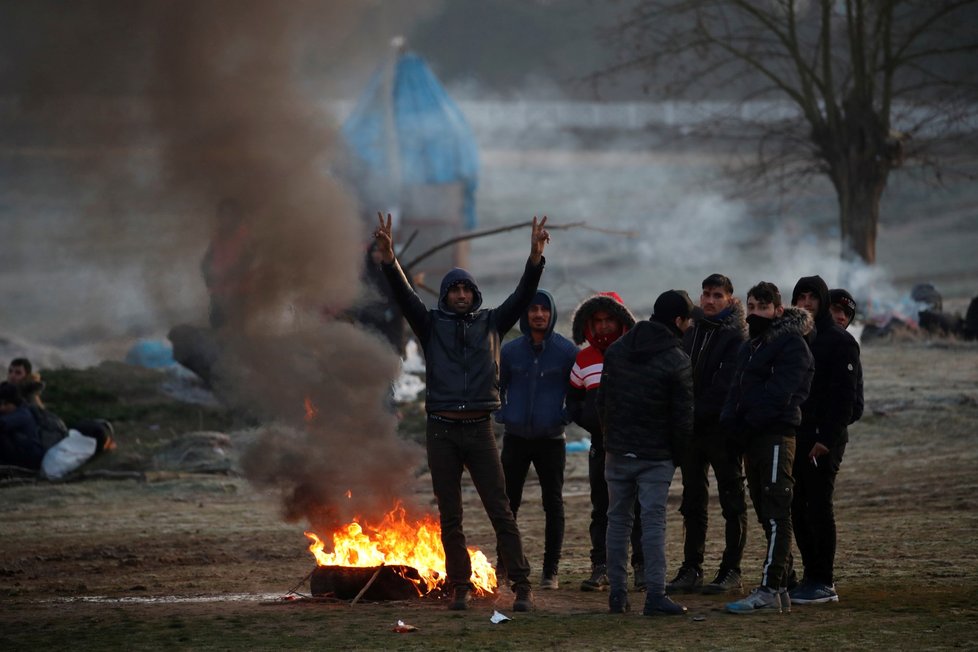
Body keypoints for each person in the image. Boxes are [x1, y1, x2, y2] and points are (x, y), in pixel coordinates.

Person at [374, 212, 550, 612]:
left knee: (500, 511)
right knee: (450, 515)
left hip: (479, 429)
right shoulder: (430, 324)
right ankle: (459, 587)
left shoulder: (492, 323)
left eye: (466, 289)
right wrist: (390, 260)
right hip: (441, 431)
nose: (460, 295)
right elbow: (404, 297)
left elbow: (523, 295)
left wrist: (535, 257)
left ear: (475, 294)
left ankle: (522, 585)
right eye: (453, 289)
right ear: (445, 295)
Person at [598, 290, 696, 616]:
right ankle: (655, 595)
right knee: (653, 523)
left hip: (617, 451)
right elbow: (683, 420)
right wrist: (679, 457)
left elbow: (603, 402)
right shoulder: (678, 360)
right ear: (679, 320)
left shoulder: (616, 351)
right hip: (656, 455)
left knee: (617, 521)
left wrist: (609, 440)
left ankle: (617, 595)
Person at [721, 281, 814, 614]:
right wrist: (730, 426)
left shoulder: (792, 346)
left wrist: (748, 419)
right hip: (751, 439)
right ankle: (785, 584)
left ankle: (769, 588)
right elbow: (736, 390)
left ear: (777, 310)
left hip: (776, 436)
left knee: (776, 513)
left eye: (762, 307)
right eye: (751, 307)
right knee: (764, 512)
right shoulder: (750, 347)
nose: (755, 313)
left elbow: (781, 393)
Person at [668, 274, 749, 596]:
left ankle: (731, 569)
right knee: (692, 501)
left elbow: (726, 386)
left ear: (729, 298)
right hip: (693, 432)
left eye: (717, 295)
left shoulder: (736, 336)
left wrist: (691, 410)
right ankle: (691, 568)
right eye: (706, 294)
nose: (710, 300)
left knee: (732, 500)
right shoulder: (693, 331)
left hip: (723, 431)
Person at [495, 289, 578, 590]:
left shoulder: (566, 352)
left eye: (544, 309)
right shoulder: (511, 351)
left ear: (551, 314)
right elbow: (497, 386)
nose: (538, 314)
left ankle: (550, 571)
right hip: (515, 438)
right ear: (525, 315)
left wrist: (564, 416)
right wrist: (503, 414)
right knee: (507, 504)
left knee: (552, 504)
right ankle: (503, 566)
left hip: (551, 439)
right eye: (533, 309)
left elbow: (578, 393)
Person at [789, 277, 861, 605]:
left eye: (811, 297)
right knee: (796, 506)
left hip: (823, 439)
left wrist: (827, 438)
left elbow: (845, 399)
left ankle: (824, 580)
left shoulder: (839, 341)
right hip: (795, 435)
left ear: (821, 300)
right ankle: (810, 574)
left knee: (818, 505)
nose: (806, 303)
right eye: (800, 297)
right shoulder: (792, 338)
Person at [567, 291, 644, 591]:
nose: (602, 326)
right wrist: (589, 422)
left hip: (634, 444)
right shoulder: (583, 359)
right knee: (601, 508)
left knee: (637, 507)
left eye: (608, 319)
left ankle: (641, 566)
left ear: (621, 319)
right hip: (600, 445)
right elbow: (573, 398)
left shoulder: (637, 354)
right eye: (596, 321)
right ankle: (601, 566)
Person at [0, 382, 44, 470]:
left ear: (7, 403)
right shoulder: (15, 411)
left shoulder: (22, 414)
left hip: (29, 459)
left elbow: (2, 424)